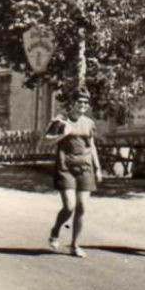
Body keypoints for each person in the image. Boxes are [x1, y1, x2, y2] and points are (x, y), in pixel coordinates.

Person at [45, 91, 103, 258]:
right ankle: (55, 231)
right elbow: (45, 140)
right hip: (65, 168)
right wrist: (63, 134)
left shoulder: (89, 123)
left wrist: (97, 168)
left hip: (85, 168)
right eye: (79, 102)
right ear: (72, 103)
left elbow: (91, 147)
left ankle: (75, 245)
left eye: (86, 103)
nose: (83, 106)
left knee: (82, 207)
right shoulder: (60, 120)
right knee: (69, 206)